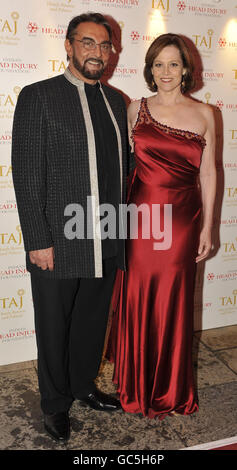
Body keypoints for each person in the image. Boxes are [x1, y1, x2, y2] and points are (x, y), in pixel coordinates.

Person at [12, 13, 130, 442]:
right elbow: (25, 175)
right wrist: (38, 240)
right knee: (54, 325)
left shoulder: (117, 101)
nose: (97, 52)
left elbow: (123, 172)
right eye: (87, 43)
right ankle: (54, 404)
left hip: (106, 236)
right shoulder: (38, 96)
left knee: (91, 321)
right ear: (68, 46)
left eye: (104, 45)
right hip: (58, 241)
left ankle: (82, 387)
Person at [106, 33, 216, 419]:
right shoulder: (135, 109)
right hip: (141, 219)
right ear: (150, 69)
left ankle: (171, 390)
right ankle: (134, 386)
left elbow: (209, 173)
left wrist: (207, 229)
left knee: (174, 302)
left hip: (184, 220)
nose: (165, 72)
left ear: (186, 68)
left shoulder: (205, 114)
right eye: (158, 64)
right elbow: (120, 168)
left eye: (173, 64)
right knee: (138, 297)